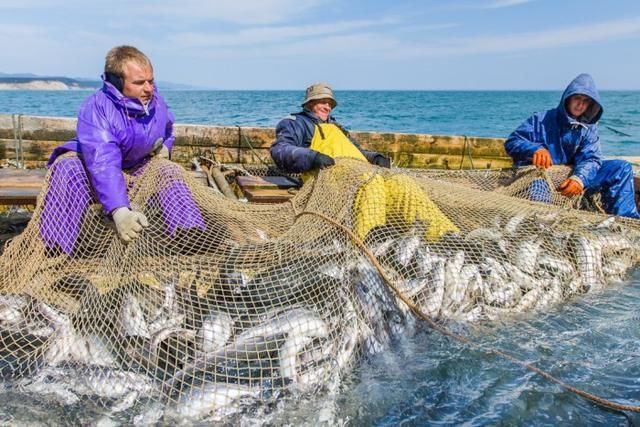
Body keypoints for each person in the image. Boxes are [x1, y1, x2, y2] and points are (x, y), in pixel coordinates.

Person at [42, 45, 204, 254]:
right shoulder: (96, 108)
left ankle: (190, 236)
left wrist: (166, 146)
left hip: (136, 166)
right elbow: (103, 162)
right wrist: (120, 212)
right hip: (92, 168)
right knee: (66, 169)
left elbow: (168, 128)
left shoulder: (155, 102)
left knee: (169, 171)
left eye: (151, 81)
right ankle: (54, 248)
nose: (149, 88)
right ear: (117, 82)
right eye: (139, 83)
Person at [270, 82, 459, 241]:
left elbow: (355, 152)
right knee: (370, 181)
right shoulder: (295, 123)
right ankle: (369, 242)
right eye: (322, 102)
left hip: (354, 175)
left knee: (401, 182)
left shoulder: (336, 127)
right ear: (310, 103)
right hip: (325, 183)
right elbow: (281, 150)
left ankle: (443, 235)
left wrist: (374, 157)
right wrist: (312, 157)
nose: (327, 107)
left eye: (330, 103)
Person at [504, 73, 639, 219]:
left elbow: (592, 158)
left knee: (621, 168)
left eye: (585, 101)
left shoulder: (589, 127)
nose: (580, 105)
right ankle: (544, 225)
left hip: (571, 177)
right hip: (541, 176)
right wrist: (535, 149)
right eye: (577, 98)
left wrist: (579, 178)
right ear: (567, 98)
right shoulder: (541, 119)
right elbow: (512, 142)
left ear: (590, 104)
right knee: (540, 196)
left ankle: (626, 220)